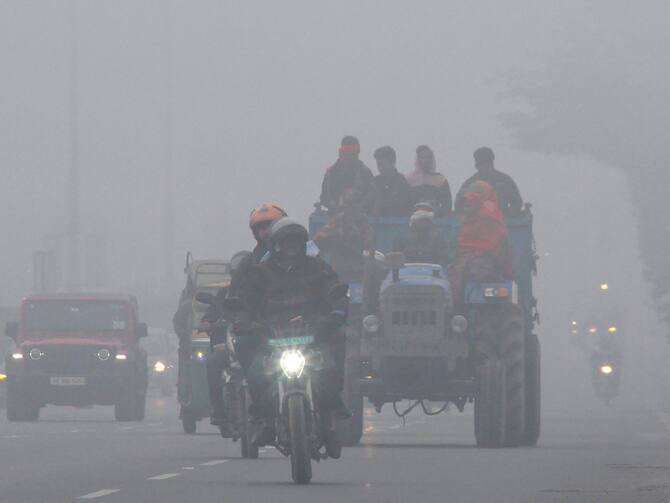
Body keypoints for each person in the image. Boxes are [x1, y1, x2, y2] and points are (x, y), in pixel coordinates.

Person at [237, 217, 349, 457]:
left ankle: (330, 420)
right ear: (276, 244)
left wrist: (337, 310)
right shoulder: (259, 273)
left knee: (331, 363)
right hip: (272, 339)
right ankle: (264, 418)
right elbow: (245, 302)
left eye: (296, 243)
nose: (291, 248)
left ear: (303, 245)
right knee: (255, 368)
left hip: (312, 336)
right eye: (286, 243)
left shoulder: (318, 268)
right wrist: (245, 321)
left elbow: (335, 290)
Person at [201, 250, 251, 427]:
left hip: (256, 346)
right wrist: (208, 322)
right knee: (213, 363)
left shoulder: (262, 292)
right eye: (239, 274)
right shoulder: (225, 294)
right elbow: (210, 314)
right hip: (229, 346)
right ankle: (218, 410)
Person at [449, 180, 513, 312]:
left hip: (481, 260)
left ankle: (455, 312)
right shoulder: (480, 215)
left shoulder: (487, 213)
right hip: (477, 260)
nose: (468, 203)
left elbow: (491, 243)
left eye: (476, 193)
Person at [455, 147, 523, 217]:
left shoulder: (505, 181)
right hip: (477, 224)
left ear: (492, 163)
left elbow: (517, 203)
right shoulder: (470, 183)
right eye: (482, 164)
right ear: (477, 166)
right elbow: (459, 205)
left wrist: (505, 216)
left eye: (487, 163)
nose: (485, 167)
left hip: (500, 224)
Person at [320, 136, 374, 214]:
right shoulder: (331, 172)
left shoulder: (365, 172)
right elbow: (324, 197)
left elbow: (371, 195)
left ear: (357, 153)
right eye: (346, 153)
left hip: (360, 219)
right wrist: (332, 205)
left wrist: (360, 206)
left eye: (352, 153)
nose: (349, 156)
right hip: (334, 219)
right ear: (341, 152)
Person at [405, 145, 452, 216]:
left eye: (429, 157)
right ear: (418, 159)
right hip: (414, 220)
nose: (427, 160)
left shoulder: (440, 179)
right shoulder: (409, 179)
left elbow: (447, 203)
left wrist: (439, 215)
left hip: (435, 220)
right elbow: (405, 202)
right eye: (423, 157)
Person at [370, 145, 413, 217]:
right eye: (378, 164)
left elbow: (406, 206)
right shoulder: (374, 182)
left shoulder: (401, 182)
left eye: (382, 164)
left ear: (392, 162)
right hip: (377, 224)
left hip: (397, 224)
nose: (380, 168)